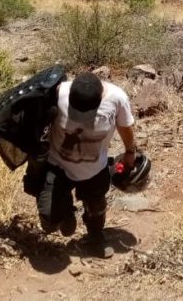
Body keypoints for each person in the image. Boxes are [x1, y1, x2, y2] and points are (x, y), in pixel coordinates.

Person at [23, 72, 138, 259]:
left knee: (96, 208)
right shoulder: (57, 93)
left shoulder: (117, 99)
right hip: (56, 165)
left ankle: (95, 236)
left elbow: (124, 127)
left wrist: (130, 152)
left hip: (94, 169)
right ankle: (66, 210)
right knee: (50, 221)